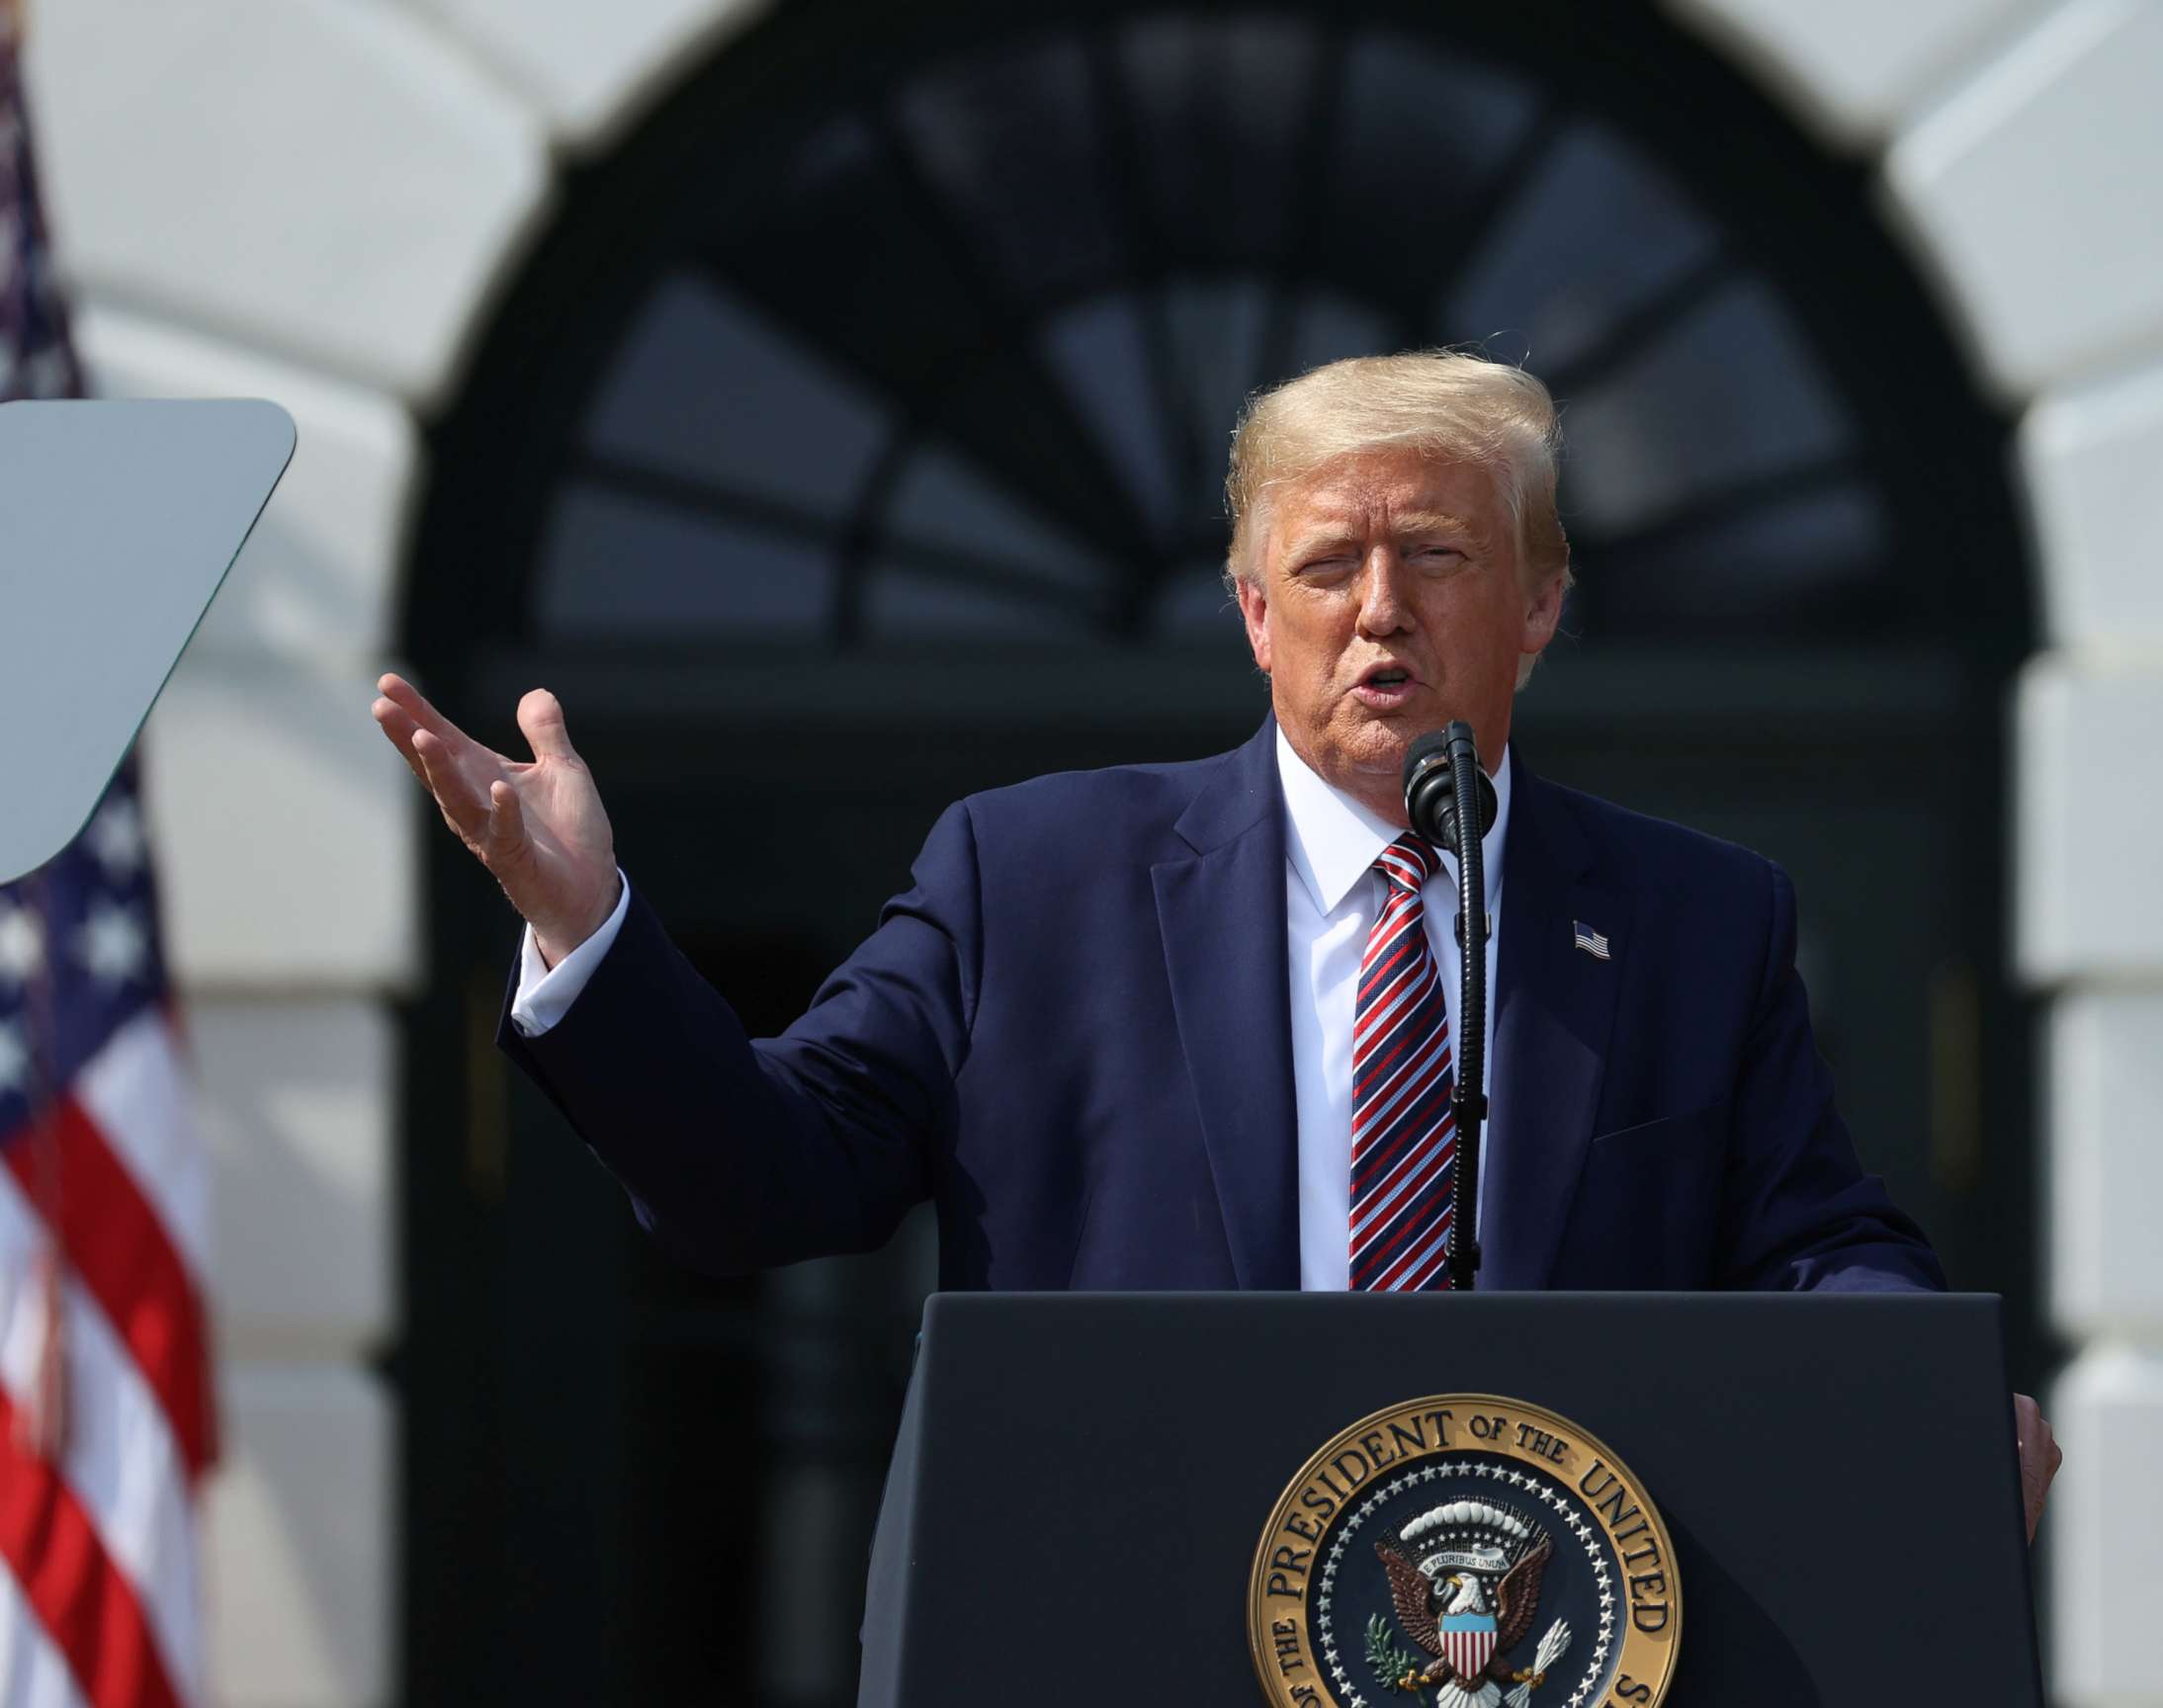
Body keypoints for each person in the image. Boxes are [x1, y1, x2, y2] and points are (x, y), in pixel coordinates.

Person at [371, 350, 2059, 1532]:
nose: (1379, 609)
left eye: (1440, 556)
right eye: (1326, 565)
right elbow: (762, 1176)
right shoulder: (1030, 879)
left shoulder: (1697, 920)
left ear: (1541, 604)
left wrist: (1918, 1396)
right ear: (1254, 613)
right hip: (1123, 1624)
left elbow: (1817, 1240)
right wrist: (583, 920)